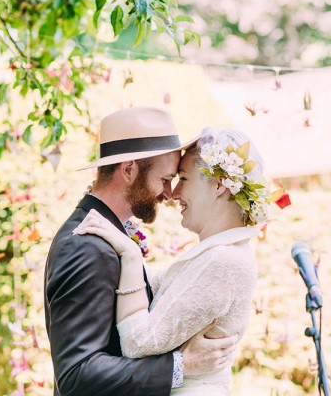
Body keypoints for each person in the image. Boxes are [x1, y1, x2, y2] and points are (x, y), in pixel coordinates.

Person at [44, 107, 238, 396]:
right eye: (164, 179)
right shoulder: (85, 246)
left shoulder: (108, 234)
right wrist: (180, 365)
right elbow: (77, 375)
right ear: (129, 170)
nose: (169, 194)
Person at [74, 127, 269, 395]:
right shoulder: (219, 252)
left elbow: (137, 342)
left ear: (219, 185)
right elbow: (153, 289)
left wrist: (130, 255)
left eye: (184, 179)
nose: (173, 194)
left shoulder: (225, 261)